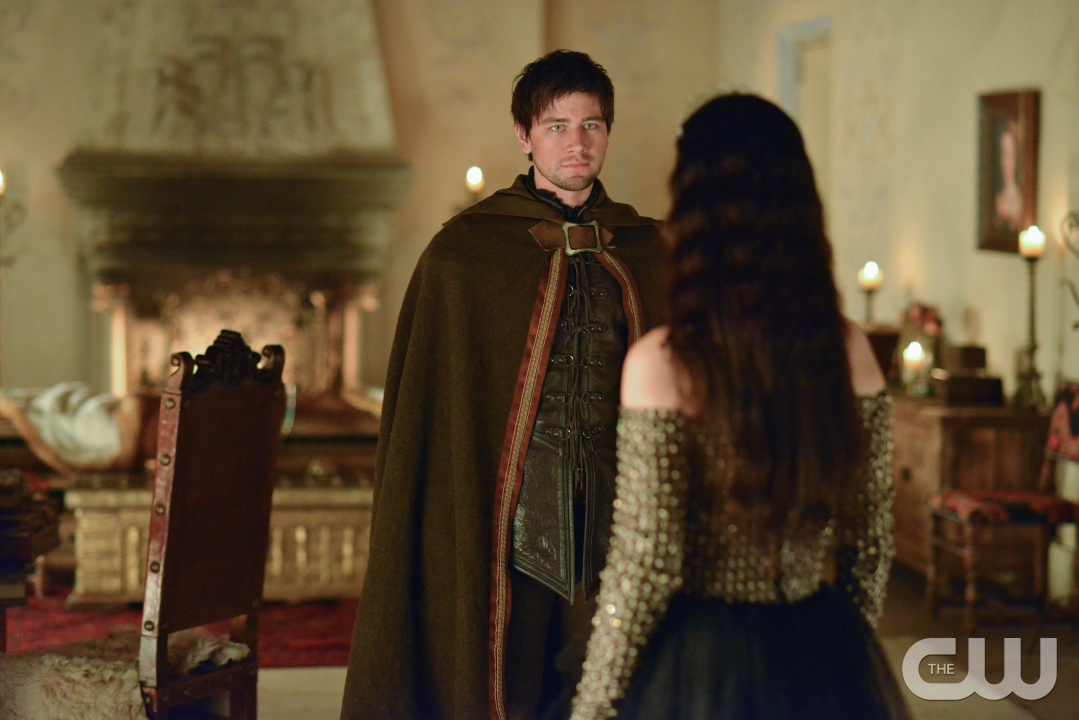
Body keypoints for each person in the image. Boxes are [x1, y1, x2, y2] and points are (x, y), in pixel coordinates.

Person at [340, 50, 665, 720]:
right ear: (524, 135)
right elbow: (432, 412)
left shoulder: (649, 251)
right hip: (505, 522)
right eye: (556, 126)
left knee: (610, 685)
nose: (576, 143)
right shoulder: (465, 255)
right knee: (509, 687)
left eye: (591, 125)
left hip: (620, 516)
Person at [570, 93, 911, 719]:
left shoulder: (663, 364)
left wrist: (594, 710)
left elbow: (646, 564)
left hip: (702, 664)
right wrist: (841, 658)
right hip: (817, 645)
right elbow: (869, 544)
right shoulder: (849, 350)